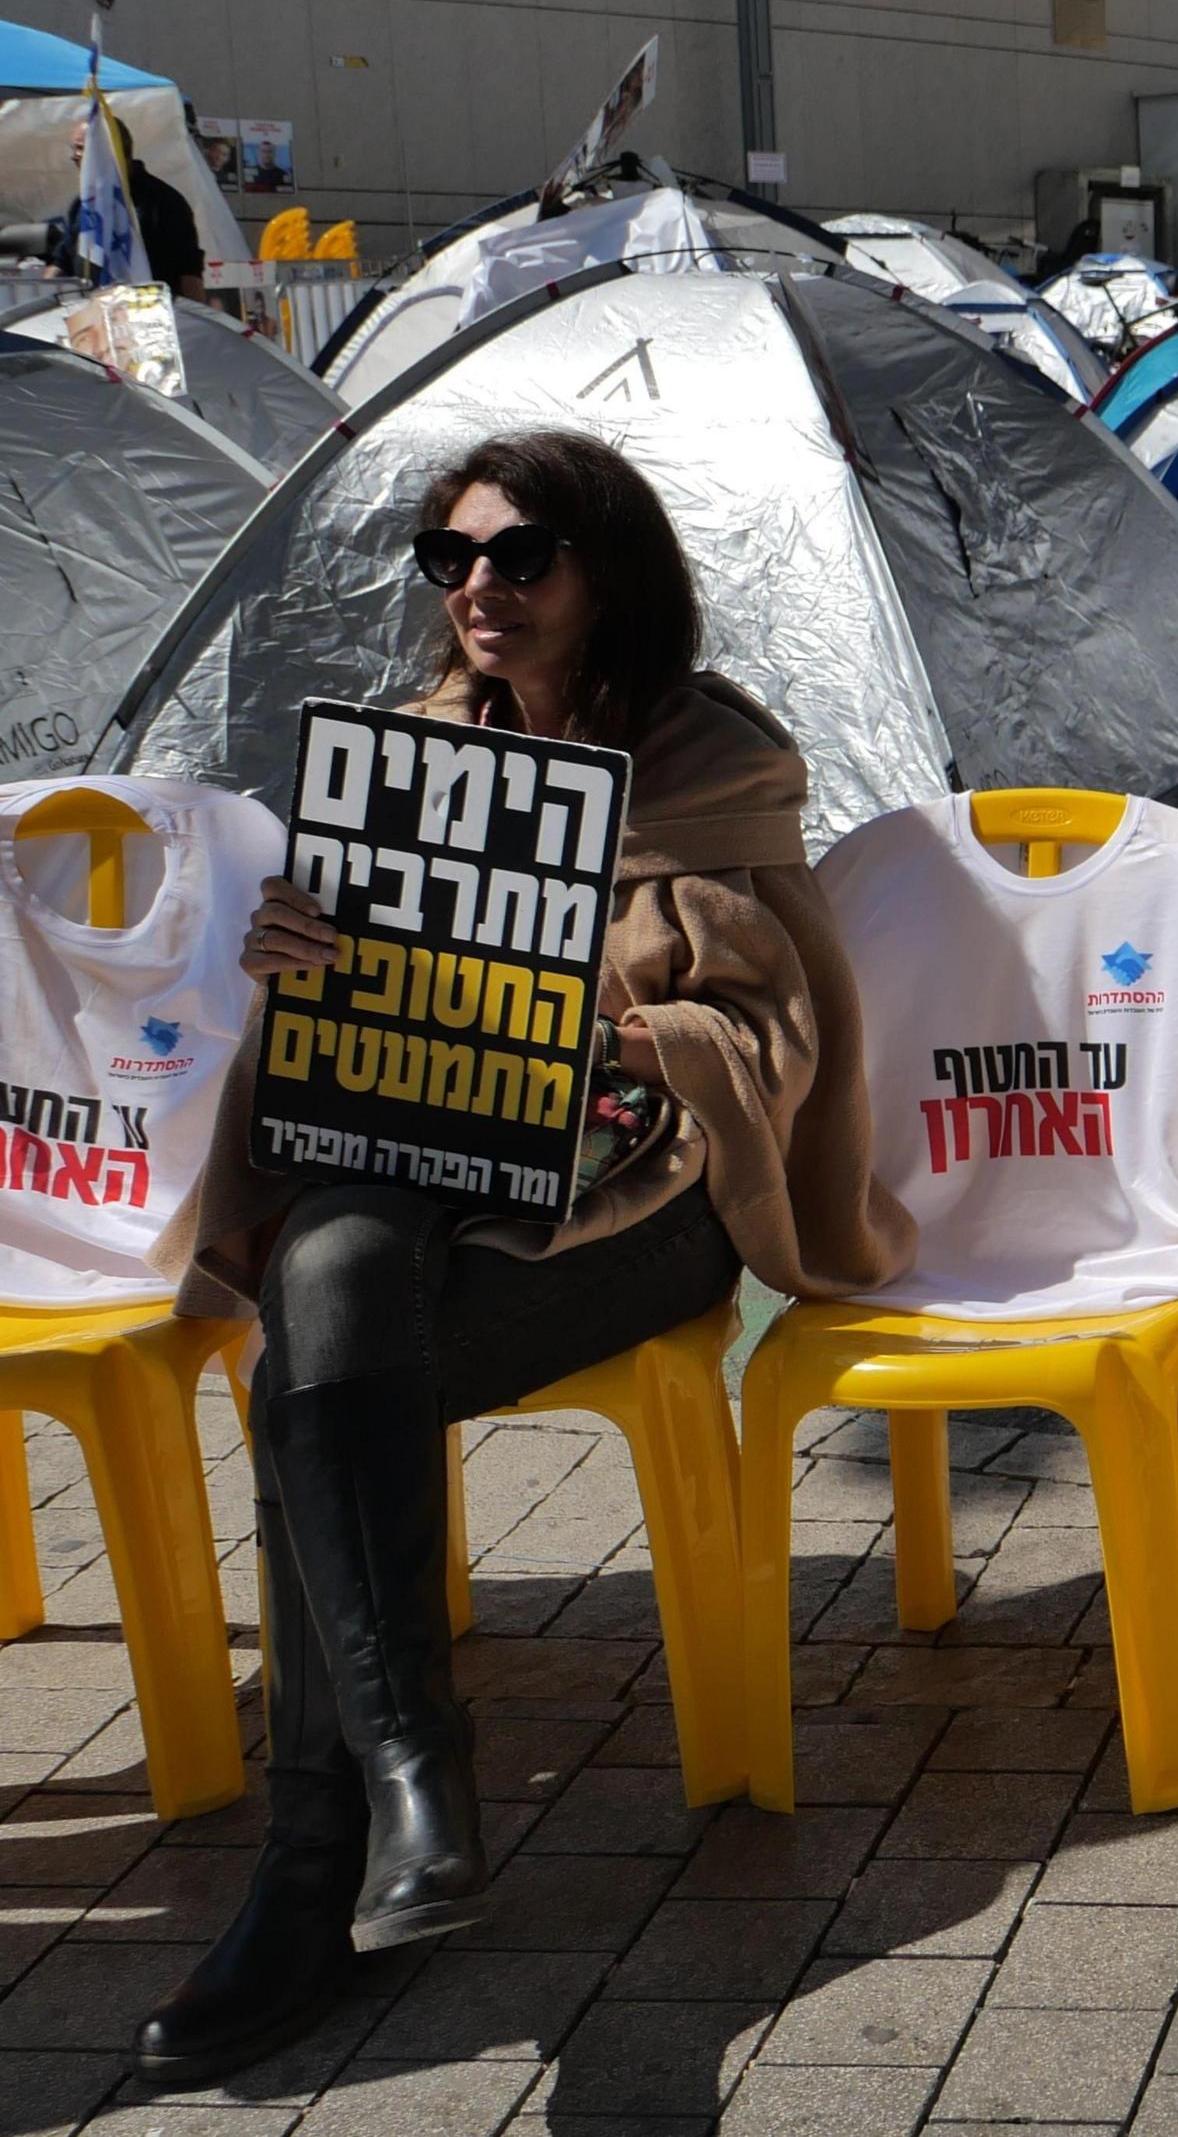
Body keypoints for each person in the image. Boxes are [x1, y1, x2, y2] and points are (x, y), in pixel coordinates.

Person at [130, 432, 914, 2084]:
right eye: (450, 556)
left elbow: (770, 1038)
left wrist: (599, 1042)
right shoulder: (406, 765)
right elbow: (341, 1059)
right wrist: (305, 965)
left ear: (605, 572)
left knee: (313, 1371)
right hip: (423, 1175)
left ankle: (312, 1868)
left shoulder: (709, 762)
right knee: (329, 1299)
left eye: (520, 552)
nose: (477, 584)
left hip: (644, 1201)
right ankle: (406, 1777)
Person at [68, 111, 207, 302]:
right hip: (91, 319)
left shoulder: (165, 203)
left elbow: (189, 272)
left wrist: (197, 323)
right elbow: (61, 262)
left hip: (151, 317)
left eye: (81, 149)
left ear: (109, 151)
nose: (74, 157)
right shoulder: (82, 204)